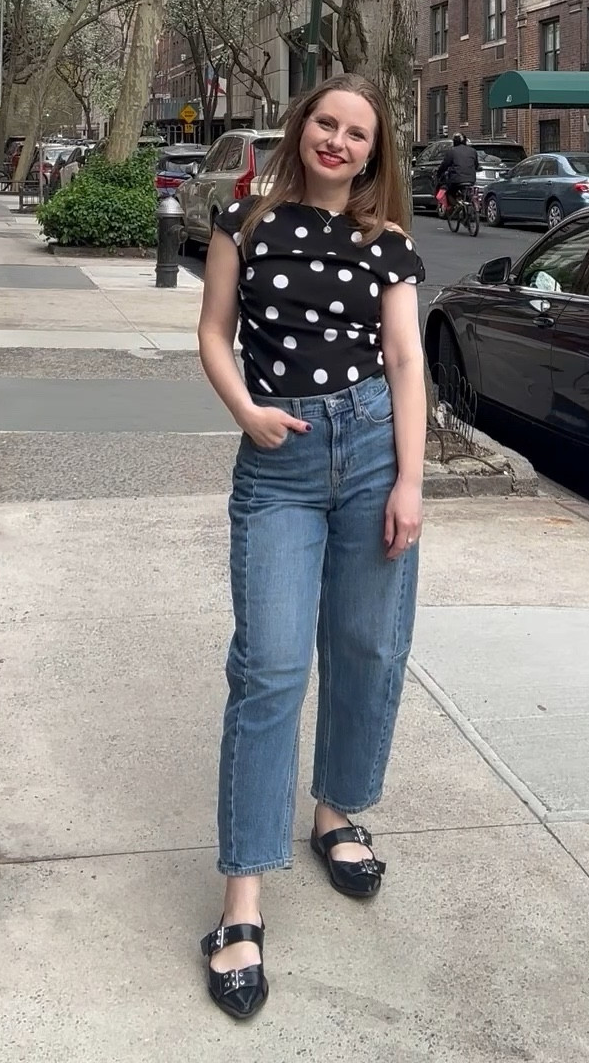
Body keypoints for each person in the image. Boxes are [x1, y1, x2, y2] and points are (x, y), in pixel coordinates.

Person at [196, 74, 427, 1021]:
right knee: (271, 669)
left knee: (369, 647)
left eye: (356, 132)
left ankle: (336, 810)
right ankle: (242, 900)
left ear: (373, 153)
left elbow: (406, 359)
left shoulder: (387, 242)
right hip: (280, 460)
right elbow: (213, 333)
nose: (337, 140)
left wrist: (411, 480)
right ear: (302, 130)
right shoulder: (243, 223)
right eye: (326, 123)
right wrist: (245, 410)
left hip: (372, 450)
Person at [435, 133, 478, 210]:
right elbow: (476, 165)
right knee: (469, 193)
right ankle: (469, 207)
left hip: (456, 179)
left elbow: (445, 165)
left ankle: (456, 205)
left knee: (449, 192)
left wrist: (439, 173)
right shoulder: (473, 151)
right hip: (471, 179)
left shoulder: (452, 151)